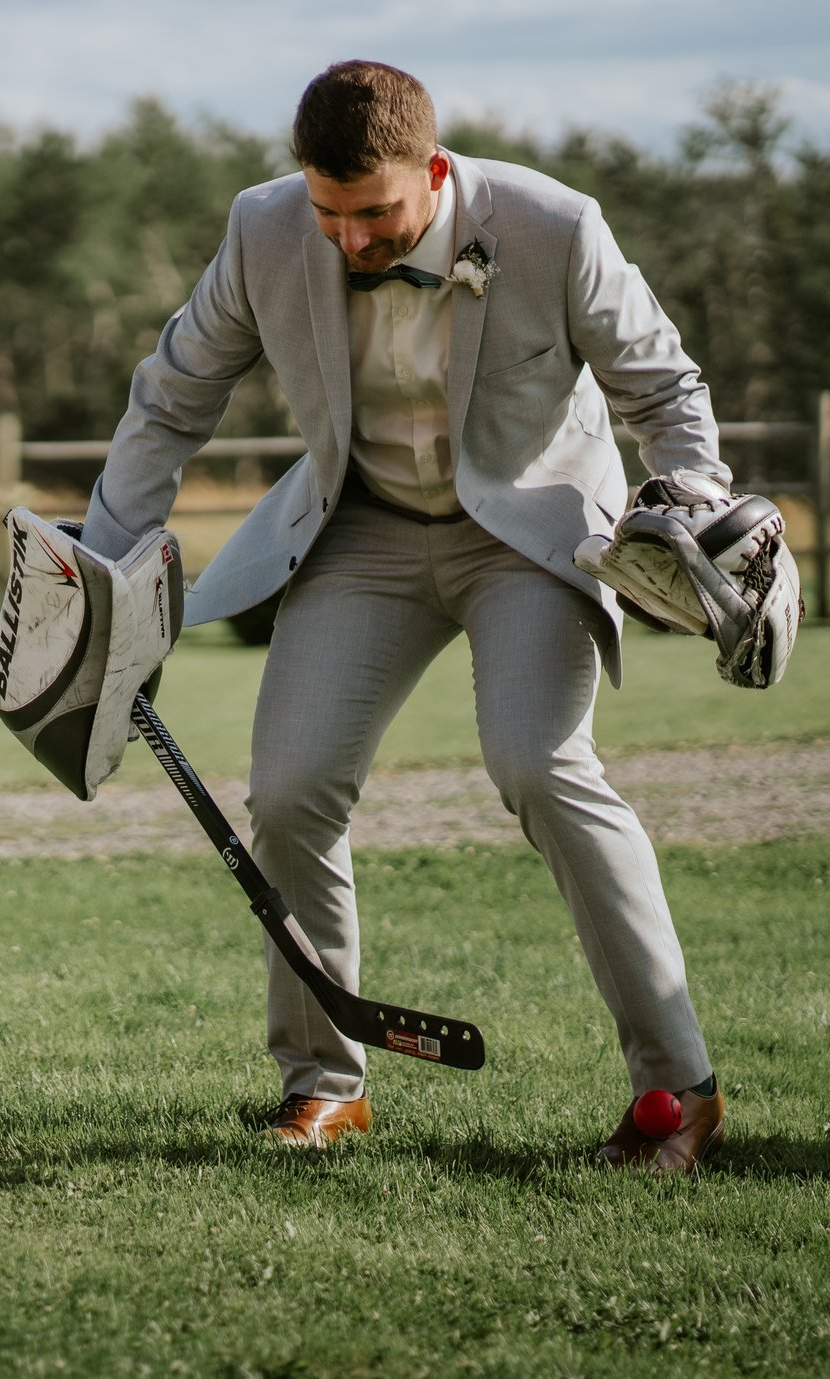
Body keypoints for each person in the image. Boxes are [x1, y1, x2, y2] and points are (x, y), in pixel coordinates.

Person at [79, 60, 725, 1170]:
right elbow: (171, 398)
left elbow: (662, 391)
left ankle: (679, 1088)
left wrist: (695, 506)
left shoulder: (554, 225)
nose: (349, 241)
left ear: (433, 170)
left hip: (526, 536)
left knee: (537, 763)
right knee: (286, 792)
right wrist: (97, 571)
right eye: (328, 213)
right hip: (363, 532)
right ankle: (323, 1084)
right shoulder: (264, 228)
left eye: (374, 212)